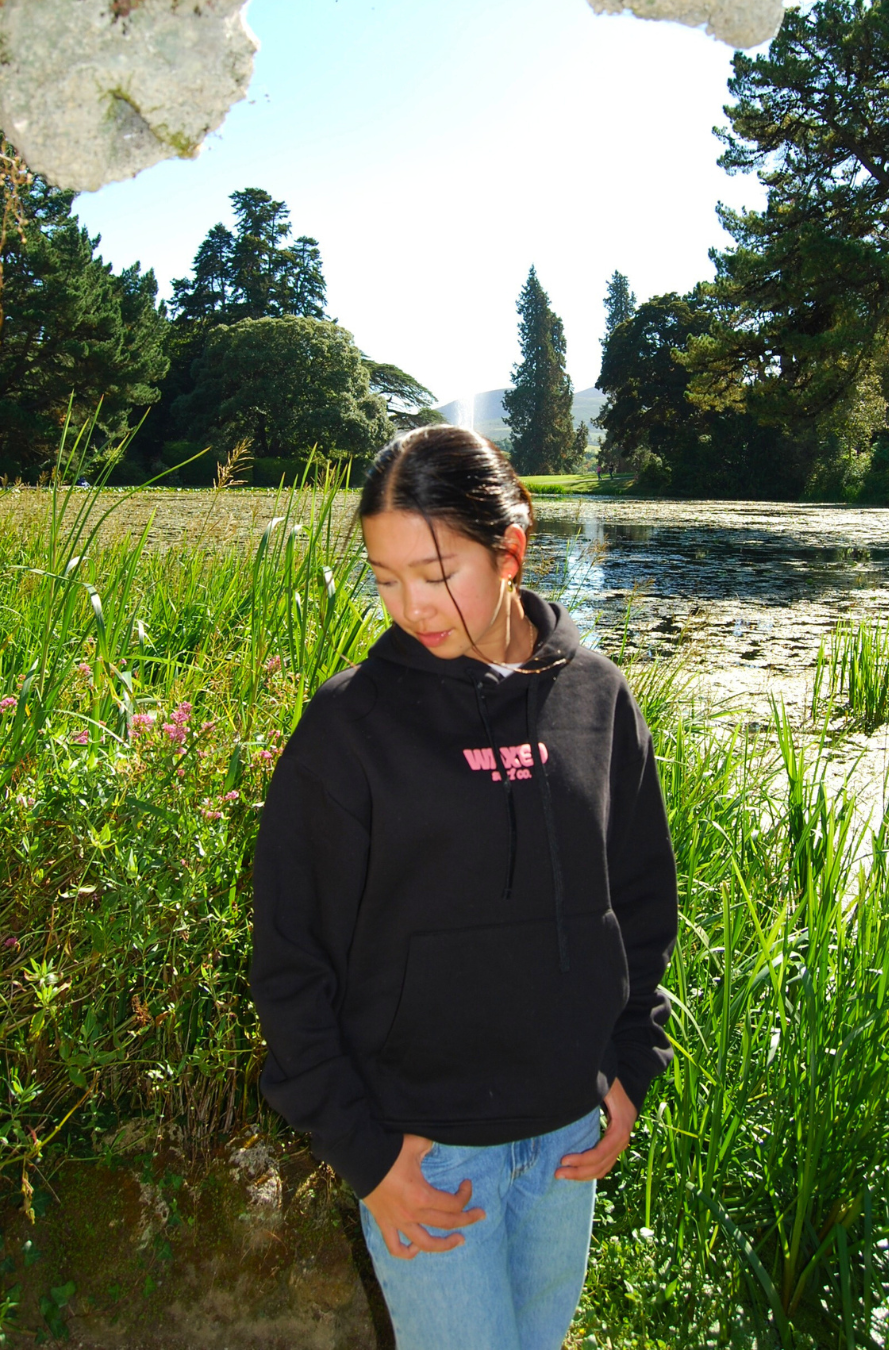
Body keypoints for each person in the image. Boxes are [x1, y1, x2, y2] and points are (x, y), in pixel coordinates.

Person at [250, 425, 678, 1350]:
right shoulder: (349, 728)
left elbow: (642, 903)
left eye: (437, 571)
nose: (412, 605)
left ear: (510, 551)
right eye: (385, 576)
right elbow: (290, 961)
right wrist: (366, 1157)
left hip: (568, 1139)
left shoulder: (596, 698)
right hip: (427, 1155)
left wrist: (630, 1067)